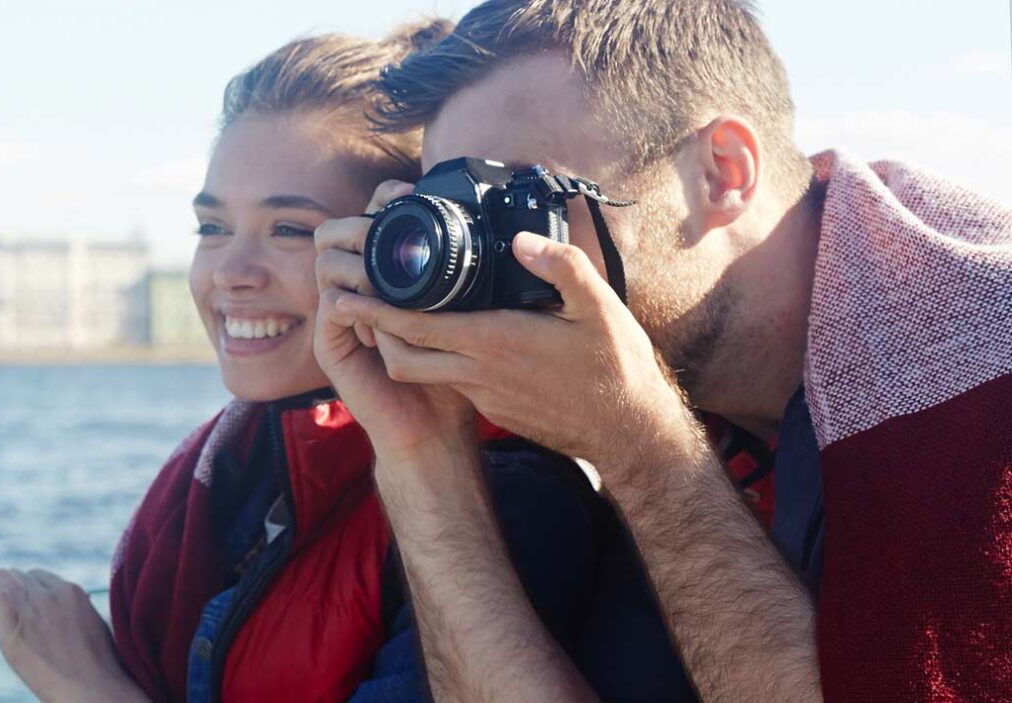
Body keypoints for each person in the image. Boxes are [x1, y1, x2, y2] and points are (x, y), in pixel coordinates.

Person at [314, 1, 1012, 701]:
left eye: (523, 199)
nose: (490, 258)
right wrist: (423, 453)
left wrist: (644, 451)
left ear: (722, 173)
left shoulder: (978, 375)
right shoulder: (683, 386)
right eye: (459, 212)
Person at [0, 20, 692, 703]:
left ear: (404, 248)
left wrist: (87, 688)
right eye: (212, 227)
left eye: (290, 229)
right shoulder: (234, 470)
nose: (232, 272)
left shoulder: (508, 497)